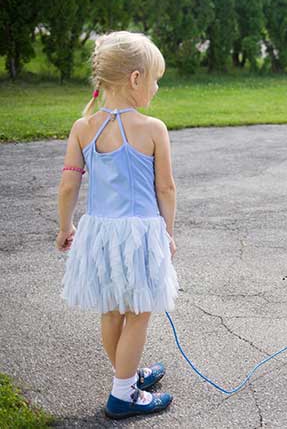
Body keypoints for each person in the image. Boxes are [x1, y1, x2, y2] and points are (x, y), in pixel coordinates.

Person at [57, 31, 179, 417]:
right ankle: (123, 395)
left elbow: (68, 184)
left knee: (112, 312)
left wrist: (65, 227)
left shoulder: (83, 128)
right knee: (139, 313)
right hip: (140, 234)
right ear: (135, 79)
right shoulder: (153, 128)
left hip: (99, 234)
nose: (157, 88)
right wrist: (168, 232)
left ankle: (125, 375)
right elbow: (167, 188)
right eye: (155, 79)